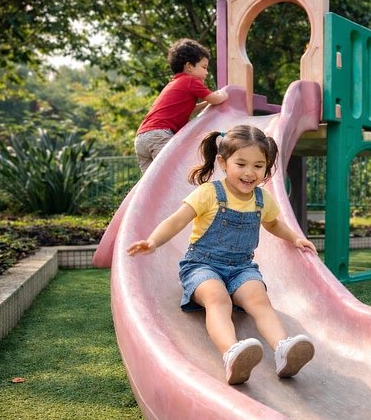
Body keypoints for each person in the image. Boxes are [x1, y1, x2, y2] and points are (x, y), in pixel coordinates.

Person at [127, 125, 317, 384]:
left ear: (266, 168)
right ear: (223, 162)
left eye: (259, 166)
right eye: (241, 163)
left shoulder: (262, 199)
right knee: (218, 299)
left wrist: (295, 237)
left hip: (241, 267)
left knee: (258, 299)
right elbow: (177, 221)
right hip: (202, 266)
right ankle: (231, 352)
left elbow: (272, 223)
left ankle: (283, 348)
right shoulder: (209, 193)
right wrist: (152, 241)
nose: (250, 172)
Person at [134, 38, 229, 175]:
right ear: (189, 66)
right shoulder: (191, 81)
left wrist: (204, 104)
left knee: (151, 184)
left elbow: (189, 108)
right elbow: (215, 99)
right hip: (159, 135)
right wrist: (225, 93)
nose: (206, 73)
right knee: (172, 176)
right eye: (204, 67)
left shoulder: (175, 83)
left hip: (142, 137)